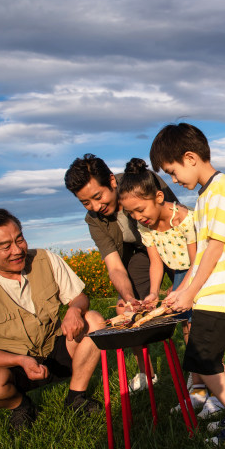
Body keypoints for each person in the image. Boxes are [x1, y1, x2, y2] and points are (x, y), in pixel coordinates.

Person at [150, 122, 225, 444]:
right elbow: (203, 254)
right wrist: (184, 290)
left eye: (172, 171)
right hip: (216, 292)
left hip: (222, 291)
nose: (173, 180)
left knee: (202, 360)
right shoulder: (209, 194)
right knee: (210, 360)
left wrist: (191, 292)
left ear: (190, 158)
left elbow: (213, 250)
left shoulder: (219, 192)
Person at [0, 209, 105, 433]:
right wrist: (21, 360)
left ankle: (76, 397)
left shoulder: (45, 259)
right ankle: (20, 405)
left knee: (94, 320)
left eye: (19, 239)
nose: (17, 250)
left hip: (57, 350)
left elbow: (79, 297)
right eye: (5, 246)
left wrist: (74, 310)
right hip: (14, 366)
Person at [64, 154, 177, 392]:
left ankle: (198, 374)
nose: (95, 207)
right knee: (123, 308)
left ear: (113, 182)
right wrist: (129, 298)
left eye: (98, 196)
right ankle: (147, 372)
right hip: (137, 252)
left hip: (169, 240)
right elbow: (115, 266)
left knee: (183, 301)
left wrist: (179, 280)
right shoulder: (93, 219)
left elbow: (175, 221)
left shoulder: (142, 181)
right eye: (86, 202)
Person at [117, 157, 212, 412]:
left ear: (159, 197)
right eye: (131, 213)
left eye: (140, 210)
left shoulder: (184, 219)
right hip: (181, 274)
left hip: (197, 271)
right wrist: (152, 293)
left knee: (195, 326)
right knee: (186, 326)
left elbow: (196, 262)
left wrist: (181, 290)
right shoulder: (145, 226)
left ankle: (204, 387)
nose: (138, 217)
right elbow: (156, 264)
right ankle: (199, 386)